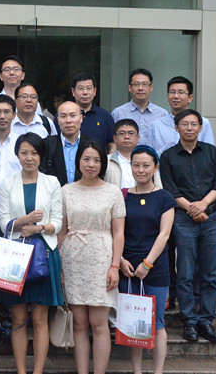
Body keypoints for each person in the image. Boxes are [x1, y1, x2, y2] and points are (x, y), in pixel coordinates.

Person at [0, 132, 63, 374]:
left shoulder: (52, 182)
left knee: (40, 319)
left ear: (41, 156)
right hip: (16, 254)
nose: (29, 157)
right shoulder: (8, 183)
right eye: (24, 153)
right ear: (17, 155)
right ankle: (21, 371)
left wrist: (39, 228)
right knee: (18, 317)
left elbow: (58, 222)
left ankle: (38, 371)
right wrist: (26, 219)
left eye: (34, 153)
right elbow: (4, 224)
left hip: (44, 252)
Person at [58, 138, 125, 374]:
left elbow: (119, 233)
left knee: (99, 323)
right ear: (78, 161)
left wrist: (115, 266)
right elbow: (61, 231)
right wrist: (60, 267)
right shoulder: (66, 191)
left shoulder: (113, 192)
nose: (91, 164)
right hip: (73, 258)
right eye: (86, 159)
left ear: (102, 164)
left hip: (102, 258)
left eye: (96, 160)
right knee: (78, 323)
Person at [159, 109, 216, 344]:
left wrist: (203, 205)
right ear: (176, 128)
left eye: (194, 124)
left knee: (210, 273)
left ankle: (206, 320)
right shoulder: (167, 156)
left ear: (200, 127)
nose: (189, 128)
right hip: (183, 219)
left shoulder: (212, 152)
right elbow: (171, 190)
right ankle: (189, 321)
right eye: (184, 124)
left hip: (211, 219)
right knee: (185, 273)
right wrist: (192, 209)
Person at [118, 145, 175, 374]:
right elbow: (116, 232)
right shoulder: (122, 195)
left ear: (155, 168)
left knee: (157, 323)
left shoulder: (165, 197)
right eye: (136, 165)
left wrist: (147, 263)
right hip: (128, 269)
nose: (140, 170)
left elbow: (165, 234)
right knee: (133, 322)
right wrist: (120, 260)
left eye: (146, 165)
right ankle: (137, 371)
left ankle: (158, 371)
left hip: (156, 268)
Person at [149, 76, 215, 156]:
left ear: (190, 97)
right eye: (172, 92)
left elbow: (210, 153)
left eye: (181, 92)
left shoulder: (203, 123)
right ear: (167, 96)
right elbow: (150, 156)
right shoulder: (156, 125)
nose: (176, 96)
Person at [111, 68, 168, 147]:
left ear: (151, 87)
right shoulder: (118, 113)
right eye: (136, 84)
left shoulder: (162, 114)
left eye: (144, 84)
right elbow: (113, 142)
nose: (140, 88)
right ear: (130, 88)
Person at [0, 55, 42, 127]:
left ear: (23, 75)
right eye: (7, 70)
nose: (12, 73)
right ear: (1, 76)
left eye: (16, 69)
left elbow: (39, 126)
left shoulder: (32, 102)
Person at [60, 73, 115, 152]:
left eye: (89, 88)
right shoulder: (63, 116)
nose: (85, 92)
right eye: (81, 88)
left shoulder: (105, 116)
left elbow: (112, 144)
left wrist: (110, 158)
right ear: (73, 91)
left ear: (94, 91)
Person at [105, 119, 162, 190]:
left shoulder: (148, 160)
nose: (126, 137)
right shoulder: (106, 161)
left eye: (131, 133)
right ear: (114, 138)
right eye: (122, 133)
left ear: (138, 138)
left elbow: (158, 188)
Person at [42, 101, 83, 186]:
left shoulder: (91, 145)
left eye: (73, 115)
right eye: (63, 116)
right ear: (58, 120)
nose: (68, 121)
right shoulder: (46, 145)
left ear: (81, 118)